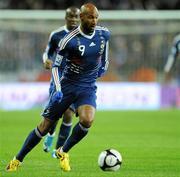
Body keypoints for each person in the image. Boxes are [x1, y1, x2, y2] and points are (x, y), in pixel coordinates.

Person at [6, 3, 110, 172]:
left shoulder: (104, 34)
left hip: (87, 88)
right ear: (82, 18)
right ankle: (17, 159)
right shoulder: (67, 40)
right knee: (45, 126)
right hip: (68, 86)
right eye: (91, 17)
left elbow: (105, 54)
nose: (94, 21)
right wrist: (58, 89)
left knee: (87, 120)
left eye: (96, 17)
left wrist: (104, 67)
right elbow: (55, 66)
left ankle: (63, 151)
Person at [42, 7, 80, 156]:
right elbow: (47, 52)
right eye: (70, 17)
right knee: (55, 113)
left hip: (74, 80)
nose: (73, 19)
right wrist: (46, 61)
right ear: (66, 17)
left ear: (79, 18)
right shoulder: (56, 35)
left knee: (69, 113)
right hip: (57, 78)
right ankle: (50, 135)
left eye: (76, 17)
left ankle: (59, 149)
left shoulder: (82, 36)